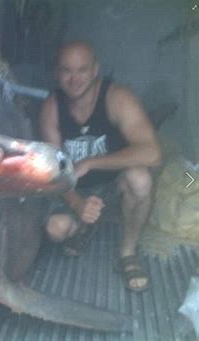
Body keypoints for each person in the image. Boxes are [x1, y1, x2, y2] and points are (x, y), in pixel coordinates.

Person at [39, 41, 162, 292]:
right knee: (55, 229)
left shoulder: (117, 97)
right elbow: (52, 171)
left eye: (82, 70)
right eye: (66, 71)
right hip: (72, 189)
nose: (74, 79)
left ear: (95, 70)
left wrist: (91, 162)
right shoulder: (51, 107)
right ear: (57, 73)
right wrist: (77, 204)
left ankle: (127, 252)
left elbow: (152, 153)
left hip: (113, 185)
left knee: (140, 180)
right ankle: (84, 224)